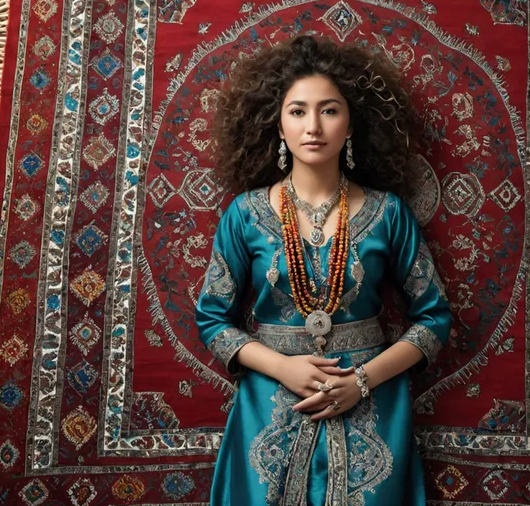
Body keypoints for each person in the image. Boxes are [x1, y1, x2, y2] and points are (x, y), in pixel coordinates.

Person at [195, 34, 454, 505]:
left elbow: (434, 319)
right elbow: (212, 319)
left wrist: (361, 382)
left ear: (351, 123)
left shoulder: (389, 213)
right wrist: (281, 367)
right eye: (297, 111)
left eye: (329, 110)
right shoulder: (245, 214)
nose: (313, 126)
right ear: (277, 125)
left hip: (373, 401)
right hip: (270, 402)